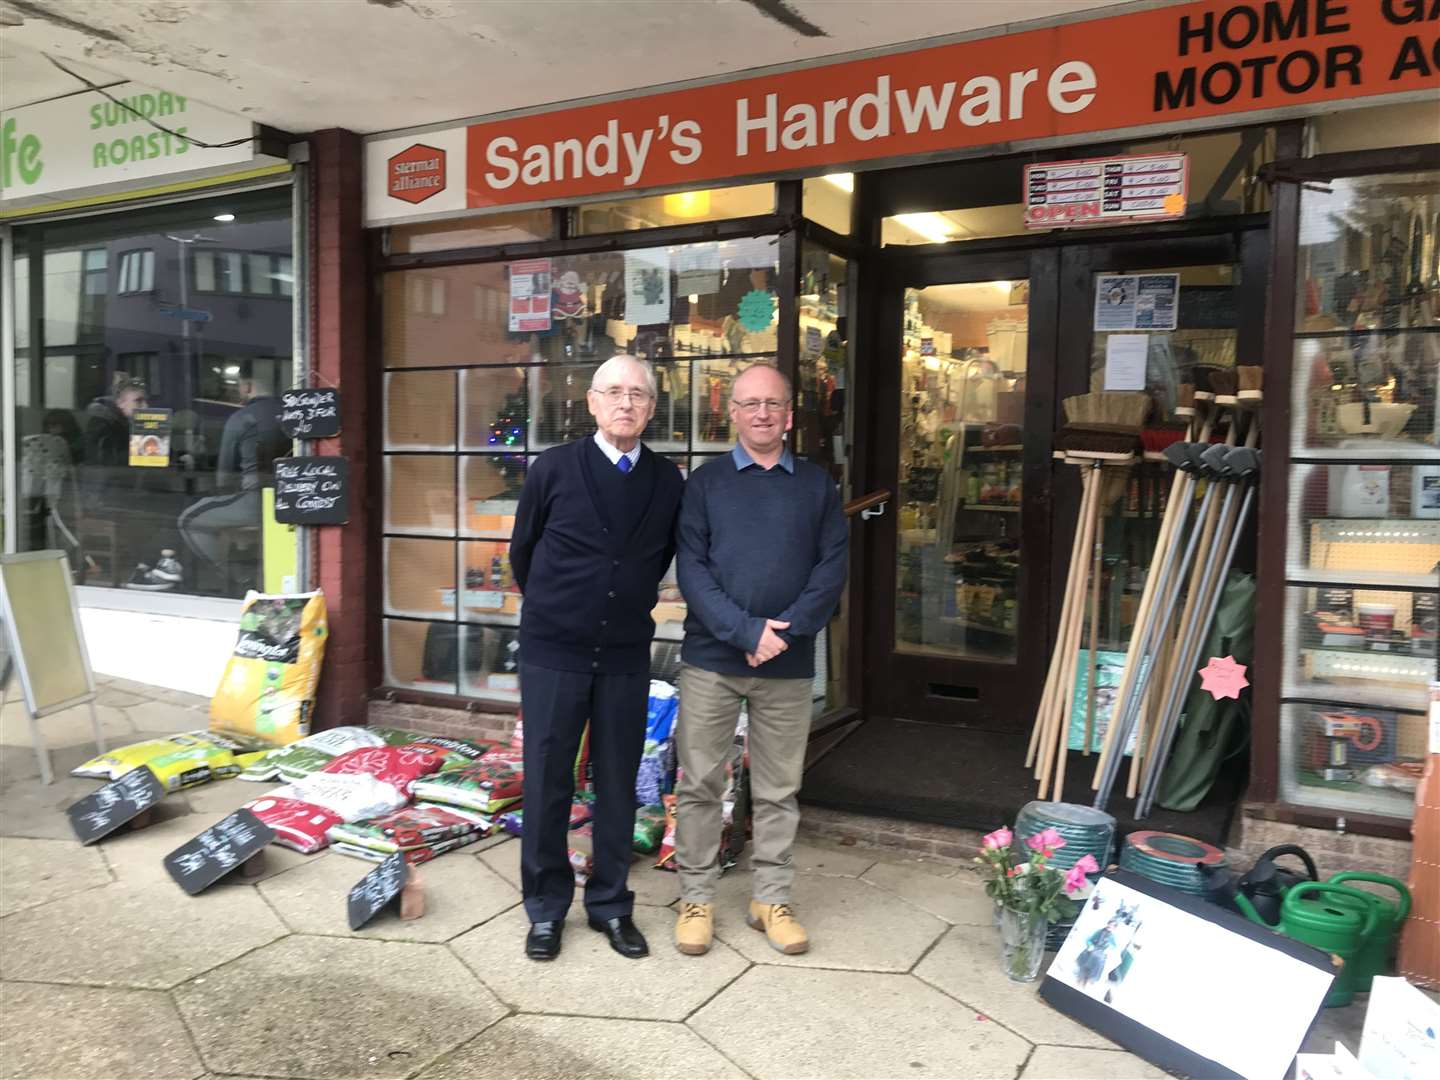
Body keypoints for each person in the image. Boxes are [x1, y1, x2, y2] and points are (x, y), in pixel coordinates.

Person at [509, 354, 684, 961]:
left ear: (653, 408)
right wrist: (564, 609)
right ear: (590, 402)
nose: (626, 403)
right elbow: (523, 555)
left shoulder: (667, 481)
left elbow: (658, 558)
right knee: (549, 781)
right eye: (614, 392)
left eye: (638, 394)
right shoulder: (553, 469)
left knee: (616, 784)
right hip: (553, 651)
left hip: (625, 654)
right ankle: (546, 908)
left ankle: (610, 905)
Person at [672, 362, 848, 957]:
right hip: (710, 659)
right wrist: (744, 630)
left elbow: (830, 571)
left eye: (773, 404)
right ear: (734, 414)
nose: (762, 414)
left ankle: (769, 896)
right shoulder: (705, 484)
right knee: (700, 783)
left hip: (787, 665)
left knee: (778, 790)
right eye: (750, 404)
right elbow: (692, 571)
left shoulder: (817, 486)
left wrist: (784, 633)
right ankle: (696, 895)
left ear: (790, 415)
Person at [177, 371, 291, 593]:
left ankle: (242, 579)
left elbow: (224, 475)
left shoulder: (242, 418)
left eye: (238, 386)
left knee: (187, 519)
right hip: (294, 501)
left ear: (247, 386)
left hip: (255, 504)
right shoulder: (293, 412)